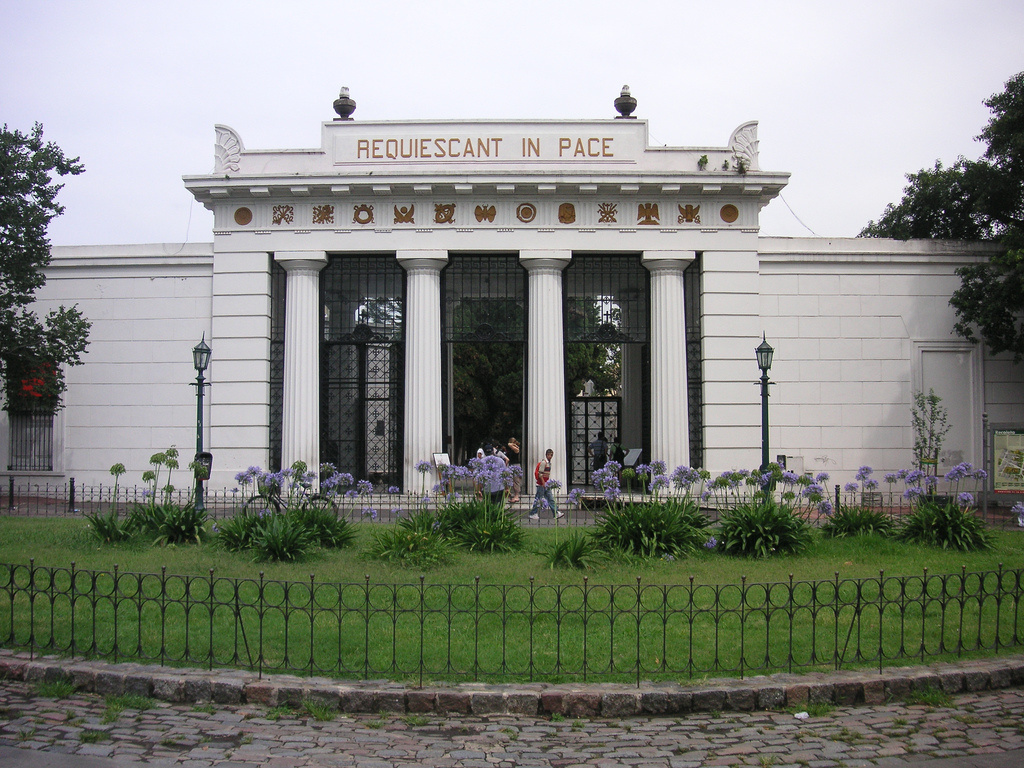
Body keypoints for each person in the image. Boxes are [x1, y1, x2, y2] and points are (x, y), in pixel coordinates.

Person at [529, 448, 563, 520]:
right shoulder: (544, 463)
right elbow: (540, 474)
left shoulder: (549, 463)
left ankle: (555, 513)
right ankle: (533, 513)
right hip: (542, 484)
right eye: (549, 455)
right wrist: (543, 483)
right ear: (546, 455)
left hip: (545, 484)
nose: (550, 456)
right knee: (539, 499)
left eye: (551, 455)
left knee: (550, 498)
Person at [506, 437, 522, 503]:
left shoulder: (516, 449)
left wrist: (514, 445)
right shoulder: (511, 450)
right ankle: (509, 492)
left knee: (516, 481)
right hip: (511, 465)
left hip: (516, 465)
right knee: (509, 480)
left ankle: (516, 496)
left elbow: (509, 444)